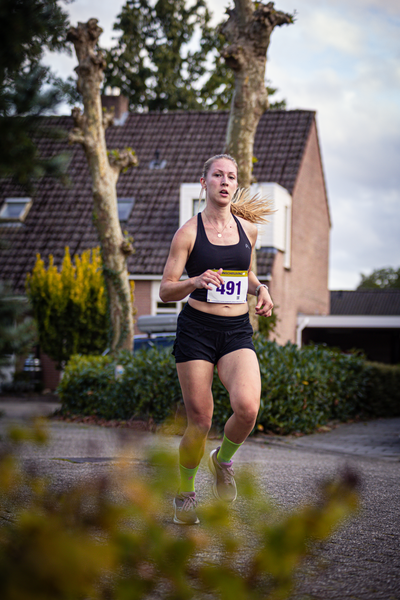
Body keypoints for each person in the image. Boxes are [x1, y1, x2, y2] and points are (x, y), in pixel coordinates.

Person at [159, 154, 274, 525]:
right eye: (218, 175)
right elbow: (164, 290)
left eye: (231, 177)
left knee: (247, 408)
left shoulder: (248, 231)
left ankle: (222, 460)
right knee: (200, 419)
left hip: (237, 331)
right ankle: (186, 493)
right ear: (204, 182)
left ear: (235, 185)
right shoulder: (188, 233)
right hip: (196, 330)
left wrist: (262, 289)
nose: (225, 182)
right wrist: (194, 281)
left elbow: (248, 273)